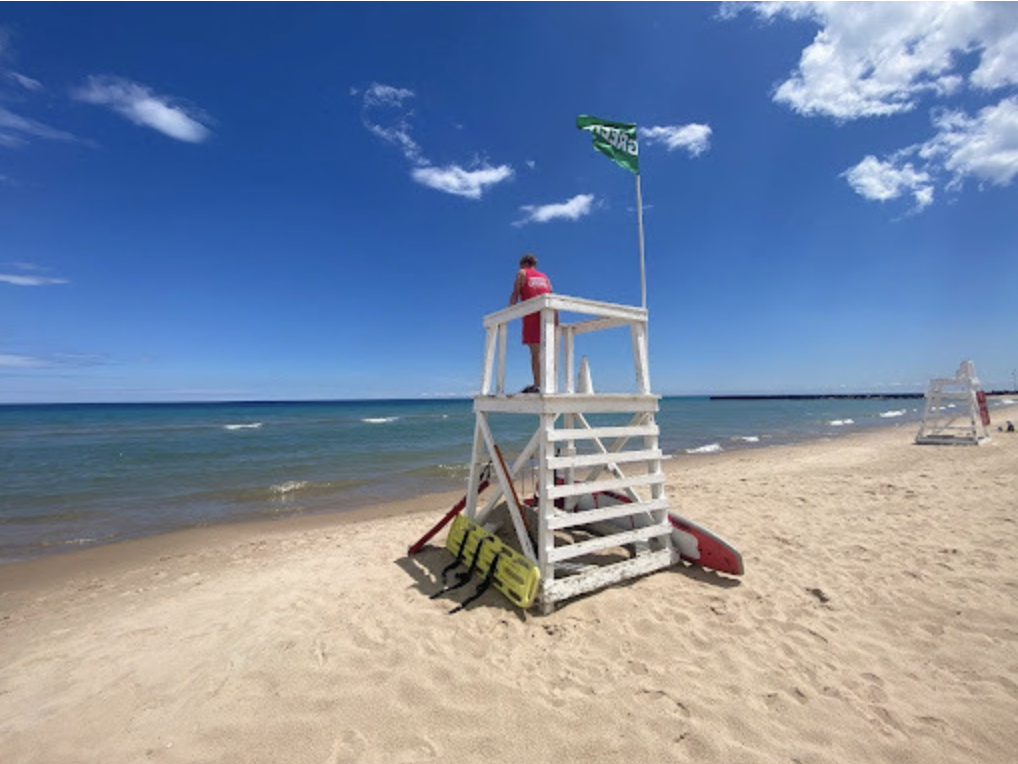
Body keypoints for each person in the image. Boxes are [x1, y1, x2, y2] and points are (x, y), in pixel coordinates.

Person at [509, 253, 552, 393]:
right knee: (547, 351)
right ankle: (547, 384)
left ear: (523, 264)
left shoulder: (521, 272)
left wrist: (509, 313)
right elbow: (550, 293)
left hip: (531, 315)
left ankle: (538, 385)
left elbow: (515, 293)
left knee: (535, 352)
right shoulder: (545, 277)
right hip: (548, 314)